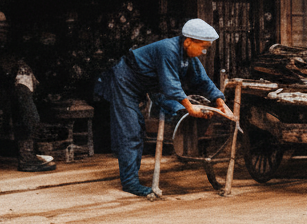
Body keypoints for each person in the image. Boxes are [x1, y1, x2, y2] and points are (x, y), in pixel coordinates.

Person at [94, 18, 235, 198]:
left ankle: (179, 136)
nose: (204, 52)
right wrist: (190, 108)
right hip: (125, 81)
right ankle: (130, 183)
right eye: (203, 47)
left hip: (151, 84)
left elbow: (202, 80)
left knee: (178, 109)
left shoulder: (188, 56)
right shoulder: (168, 49)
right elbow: (171, 86)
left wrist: (220, 103)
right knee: (131, 129)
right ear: (188, 41)